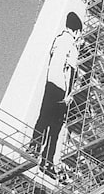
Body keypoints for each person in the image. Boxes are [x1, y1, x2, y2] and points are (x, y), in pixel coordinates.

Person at [30, 12, 82, 176]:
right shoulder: (72, 46)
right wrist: (69, 95)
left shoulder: (58, 39)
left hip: (50, 84)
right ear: (76, 31)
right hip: (61, 89)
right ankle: (47, 162)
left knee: (43, 116)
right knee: (55, 128)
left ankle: (34, 145)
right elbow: (72, 71)